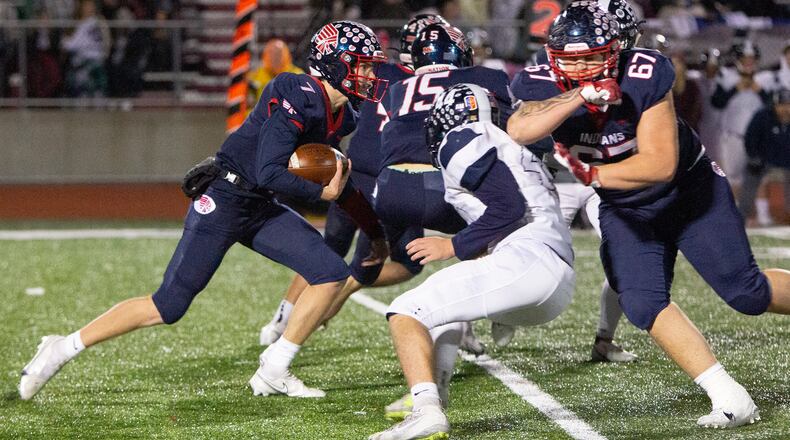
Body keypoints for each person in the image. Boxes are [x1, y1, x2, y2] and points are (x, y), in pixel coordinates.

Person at [19, 20, 389, 401]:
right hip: (226, 199)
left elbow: (337, 182)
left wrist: (374, 233)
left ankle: (275, 368)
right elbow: (270, 170)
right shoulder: (295, 90)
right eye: (363, 65)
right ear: (334, 63)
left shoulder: (345, 115)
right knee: (168, 305)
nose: (370, 74)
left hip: (260, 206)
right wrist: (320, 194)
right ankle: (61, 348)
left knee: (329, 271)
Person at [507, 1, 790, 428]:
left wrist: (593, 173)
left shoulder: (644, 73)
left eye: (593, 59)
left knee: (745, 293)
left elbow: (659, 165)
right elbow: (520, 128)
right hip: (626, 209)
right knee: (641, 302)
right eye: (572, 60)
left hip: (688, 195)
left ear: (615, 51)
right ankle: (729, 395)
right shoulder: (542, 79)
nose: (583, 67)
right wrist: (579, 94)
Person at [369, 83, 575, 440]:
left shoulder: (463, 136)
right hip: (553, 281)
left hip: (526, 262)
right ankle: (439, 396)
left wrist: (452, 246)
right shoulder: (513, 147)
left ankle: (426, 411)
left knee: (405, 310)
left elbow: (508, 209)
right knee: (446, 309)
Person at [257, 14, 444, 348]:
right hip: (391, 182)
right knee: (403, 263)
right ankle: (328, 304)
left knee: (329, 251)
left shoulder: (372, 72)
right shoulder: (422, 85)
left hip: (350, 175)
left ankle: (281, 319)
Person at [374, 22, 520, 421]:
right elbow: (509, 130)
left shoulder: (398, 87)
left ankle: (344, 279)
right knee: (499, 242)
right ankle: (499, 315)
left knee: (403, 264)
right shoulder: (487, 76)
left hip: (388, 190)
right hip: (442, 184)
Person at [510, 0, 641, 363]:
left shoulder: (640, 73)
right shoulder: (549, 68)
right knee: (520, 252)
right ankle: (473, 324)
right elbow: (528, 125)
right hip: (558, 176)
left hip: (609, 178)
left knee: (625, 254)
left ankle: (605, 338)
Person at [737, 88, 790, 225]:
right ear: (775, 105)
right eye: (782, 105)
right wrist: (754, 157)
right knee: (751, 176)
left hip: (787, 163)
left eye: (788, 105)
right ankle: (741, 217)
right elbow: (750, 138)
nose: (786, 109)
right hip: (764, 161)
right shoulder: (763, 116)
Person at [247, 38, 304, 112]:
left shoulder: (299, 77)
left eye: (279, 54)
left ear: (287, 56)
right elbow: (248, 106)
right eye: (271, 54)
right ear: (265, 56)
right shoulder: (255, 77)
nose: (275, 58)